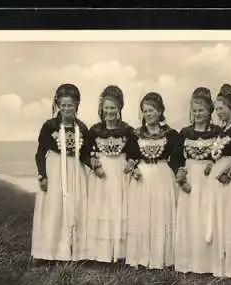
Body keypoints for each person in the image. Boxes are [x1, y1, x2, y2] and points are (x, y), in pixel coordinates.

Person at [31, 83, 91, 262]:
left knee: (75, 207)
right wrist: (42, 175)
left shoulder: (82, 127)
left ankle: (72, 252)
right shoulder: (49, 126)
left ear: (77, 105)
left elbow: (85, 154)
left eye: (70, 105)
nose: (66, 109)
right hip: (55, 170)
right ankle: (49, 253)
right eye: (63, 105)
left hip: (75, 172)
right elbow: (40, 152)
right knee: (54, 209)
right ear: (58, 104)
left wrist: (94, 165)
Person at [84, 85, 139, 263]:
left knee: (118, 208)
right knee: (100, 208)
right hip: (101, 173)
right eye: (106, 108)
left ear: (119, 109)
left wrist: (131, 162)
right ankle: (99, 253)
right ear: (102, 109)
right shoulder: (94, 131)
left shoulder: (128, 131)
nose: (109, 111)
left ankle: (119, 252)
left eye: (113, 108)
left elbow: (135, 152)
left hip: (119, 172)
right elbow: (85, 152)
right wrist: (92, 163)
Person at [125, 92, 180, 269]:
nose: (148, 114)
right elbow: (131, 157)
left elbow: (177, 158)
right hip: (142, 177)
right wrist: (133, 170)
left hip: (162, 175)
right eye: (145, 111)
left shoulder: (171, 134)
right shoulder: (135, 134)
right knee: (142, 215)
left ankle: (160, 257)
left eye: (152, 110)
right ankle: (142, 257)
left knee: (160, 214)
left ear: (160, 111)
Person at [172, 87, 222, 274]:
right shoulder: (185, 133)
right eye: (194, 110)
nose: (198, 114)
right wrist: (180, 175)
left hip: (209, 180)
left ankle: (208, 264)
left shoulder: (217, 132)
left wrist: (214, 162)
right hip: (190, 180)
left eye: (201, 110)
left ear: (209, 111)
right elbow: (175, 158)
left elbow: (224, 153)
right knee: (190, 217)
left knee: (207, 215)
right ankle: (189, 263)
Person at [205, 84, 231, 279]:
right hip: (218, 181)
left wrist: (230, 173)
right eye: (217, 109)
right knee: (220, 221)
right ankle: (220, 266)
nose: (218, 112)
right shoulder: (221, 132)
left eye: (221, 108)